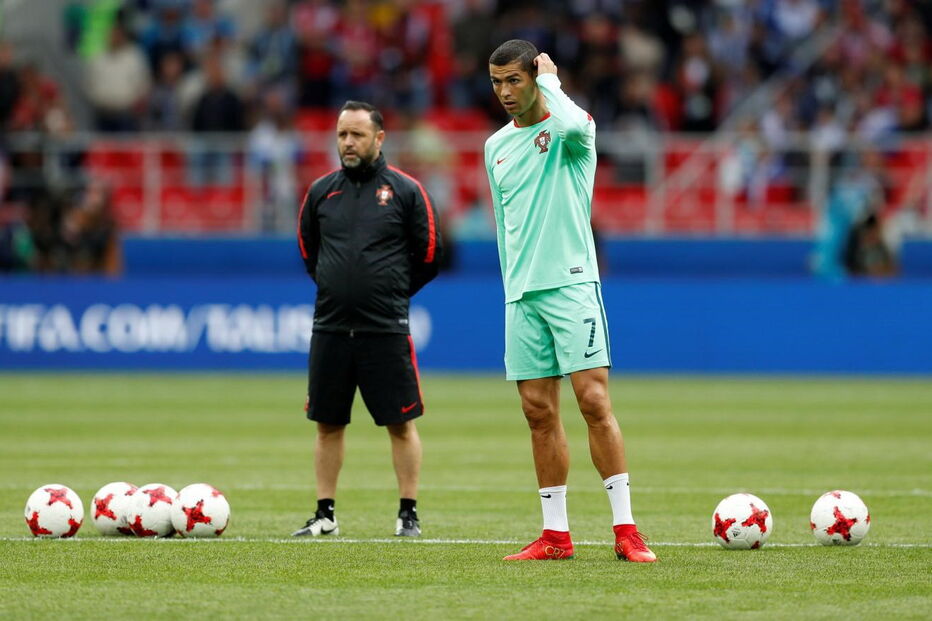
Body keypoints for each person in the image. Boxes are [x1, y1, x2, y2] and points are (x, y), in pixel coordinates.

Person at [484, 39, 656, 562]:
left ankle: (626, 530)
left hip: (572, 284)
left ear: (536, 76)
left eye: (515, 79)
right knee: (537, 412)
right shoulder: (495, 147)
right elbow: (504, 223)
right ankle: (555, 536)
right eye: (496, 83)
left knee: (594, 402)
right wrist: (511, 285)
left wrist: (553, 82)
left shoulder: (568, 131)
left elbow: (579, 128)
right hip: (523, 293)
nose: (505, 92)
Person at [294, 100, 442, 538]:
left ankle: (408, 513)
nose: (347, 142)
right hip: (331, 327)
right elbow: (309, 252)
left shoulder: (406, 191)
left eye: (357, 134)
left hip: (385, 328)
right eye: (342, 134)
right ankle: (325, 514)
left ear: (379, 139)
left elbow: (430, 255)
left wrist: (390, 292)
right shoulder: (321, 191)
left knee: (400, 423)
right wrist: (337, 286)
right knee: (327, 424)